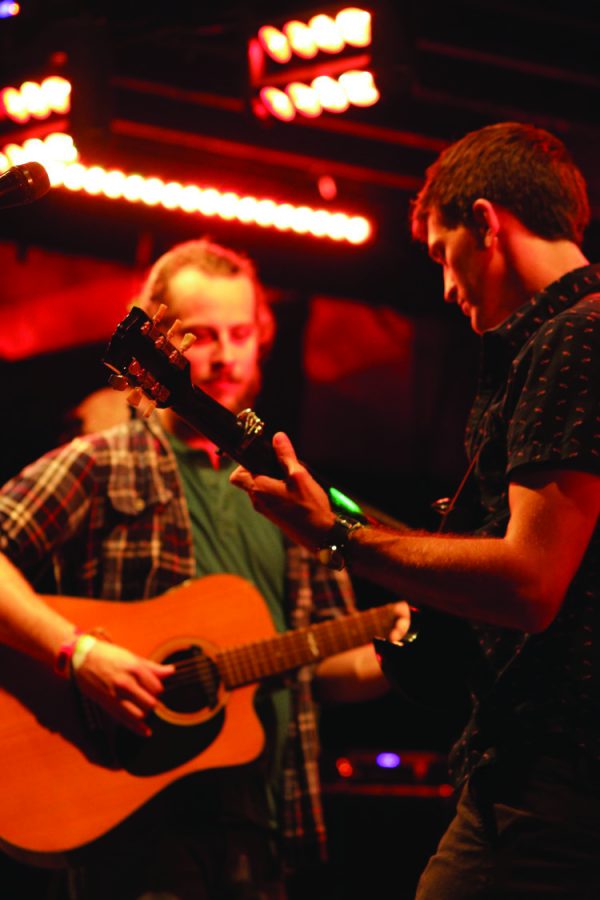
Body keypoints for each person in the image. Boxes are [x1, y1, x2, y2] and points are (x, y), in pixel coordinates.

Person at [230, 122, 600, 899]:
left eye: (442, 253)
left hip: (555, 778)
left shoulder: (573, 341)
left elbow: (532, 582)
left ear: (486, 223)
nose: (444, 285)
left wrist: (340, 539)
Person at [0, 237, 408, 900]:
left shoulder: (288, 488)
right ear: (158, 341)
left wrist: (399, 643)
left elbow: (320, 662)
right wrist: (76, 653)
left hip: (264, 829)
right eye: (203, 334)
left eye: (241, 332)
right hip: (132, 827)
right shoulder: (102, 463)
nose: (223, 354)